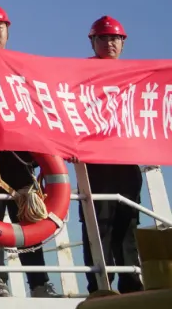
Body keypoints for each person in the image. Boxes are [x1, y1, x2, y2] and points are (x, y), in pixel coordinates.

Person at [0, 3, 61, 299]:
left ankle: (39, 283)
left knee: (29, 217)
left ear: (8, 31)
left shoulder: (23, 67)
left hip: (19, 156)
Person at [81, 16, 143, 295]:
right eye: (103, 38)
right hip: (96, 165)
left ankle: (132, 283)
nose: (110, 43)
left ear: (123, 43)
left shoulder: (137, 77)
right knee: (99, 224)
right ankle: (99, 285)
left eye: (115, 38)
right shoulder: (79, 75)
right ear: (93, 42)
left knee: (127, 223)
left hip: (127, 163)